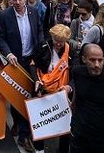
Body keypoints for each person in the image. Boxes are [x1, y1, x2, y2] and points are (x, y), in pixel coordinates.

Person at [0, 0, 43, 152]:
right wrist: (8, 54)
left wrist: (40, 52)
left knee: (32, 95)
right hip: (15, 62)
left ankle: (28, 130)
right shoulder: (5, 16)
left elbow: (39, 32)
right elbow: (1, 38)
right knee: (19, 97)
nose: (17, 2)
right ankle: (24, 135)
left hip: (31, 60)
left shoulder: (34, 12)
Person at [33, 24, 75, 153]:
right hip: (43, 91)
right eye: (56, 40)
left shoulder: (70, 50)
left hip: (62, 94)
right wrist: (36, 80)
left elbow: (76, 73)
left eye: (61, 42)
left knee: (65, 126)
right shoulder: (42, 46)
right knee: (41, 123)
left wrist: (69, 87)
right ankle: (39, 150)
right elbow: (33, 64)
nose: (58, 44)